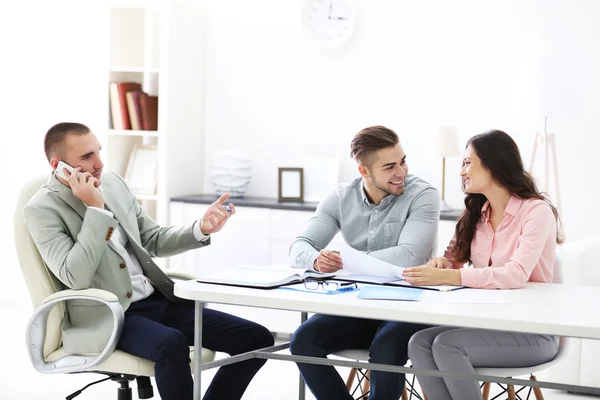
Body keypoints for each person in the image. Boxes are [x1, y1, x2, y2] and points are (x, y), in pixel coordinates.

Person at [24, 122, 274, 400]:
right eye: (86, 157)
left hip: (158, 301)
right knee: (171, 343)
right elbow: (75, 276)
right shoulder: (41, 209)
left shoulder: (112, 183)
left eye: (98, 152)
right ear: (59, 165)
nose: (99, 163)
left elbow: (153, 239)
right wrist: (96, 210)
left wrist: (200, 228)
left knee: (257, 338)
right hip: (111, 315)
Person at [404, 129, 563, 400]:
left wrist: (449, 277)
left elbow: (514, 275)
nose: (461, 171)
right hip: (485, 323)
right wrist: (442, 265)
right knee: (418, 343)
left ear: (493, 164)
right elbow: (451, 260)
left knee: (447, 346)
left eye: (467, 162)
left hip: (533, 332)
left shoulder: (536, 212)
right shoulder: (475, 211)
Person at [288, 125, 441, 400]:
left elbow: (409, 257)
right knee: (302, 339)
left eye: (403, 161)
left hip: (412, 307)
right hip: (359, 305)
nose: (401, 172)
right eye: (390, 167)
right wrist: (317, 260)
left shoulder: (423, 195)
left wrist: (347, 262)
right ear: (364, 172)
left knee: (385, 346)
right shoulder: (340, 197)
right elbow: (298, 248)